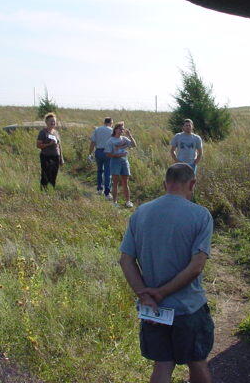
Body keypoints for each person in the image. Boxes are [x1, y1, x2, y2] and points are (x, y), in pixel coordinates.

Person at [119, 163, 214, 383]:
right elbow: (196, 266)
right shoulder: (201, 215)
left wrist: (145, 295)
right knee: (197, 362)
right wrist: (162, 292)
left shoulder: (140, 213)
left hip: (153, 310)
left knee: (162, 365)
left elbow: (126, 260)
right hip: (188, 307)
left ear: (165, 184)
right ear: (192, 184)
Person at [104, 121, 136, 208]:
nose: (122, 130)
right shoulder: (111, 141)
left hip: (124, 161)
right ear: (116, 129)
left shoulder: (124, 139)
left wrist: (130, 135)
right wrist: (117, 155)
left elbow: (134, 145)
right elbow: (107, 153)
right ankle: (115, 202)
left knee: (125, 182)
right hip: (115, 162)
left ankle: (128, 201)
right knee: (115, 182)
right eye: (120, 129)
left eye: (123, 129)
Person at [36, 113, 63, 190]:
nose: (53, 123)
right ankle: (43, 191)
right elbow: (38, 145)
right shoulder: (43, 132)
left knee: (54, 175)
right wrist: (49, 144)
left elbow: (59, 146)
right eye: (51, 121)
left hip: (56, 156)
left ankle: (51, 190)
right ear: (46, 122)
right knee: (45, 175)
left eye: (54, 121)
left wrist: (61, 158)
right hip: (46, 156)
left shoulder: (56, 132)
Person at [89, 117, 114, 199]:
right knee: (107, 172)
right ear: (110, 123)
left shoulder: (97, 129)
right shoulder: (111, 130)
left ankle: (99, 188)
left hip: (98, 151)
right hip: (108, 152)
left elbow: (93, 142)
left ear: (104, 122)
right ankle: (107, 192)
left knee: (99, 170)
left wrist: (90, 153)